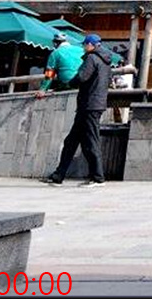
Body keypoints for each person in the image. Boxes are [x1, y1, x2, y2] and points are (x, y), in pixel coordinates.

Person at [41, 34, 112, 187]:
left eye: (85, 44)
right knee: (71, 141)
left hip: (89, 105)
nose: (83, 47)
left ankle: (98, 177)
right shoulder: (106, 60)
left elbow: (80, 76)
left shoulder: (90, 58)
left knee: (91, 141)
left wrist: (65, 84)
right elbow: (108, 81)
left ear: (91, 45)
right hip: (94, 103)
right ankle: (58, 175)